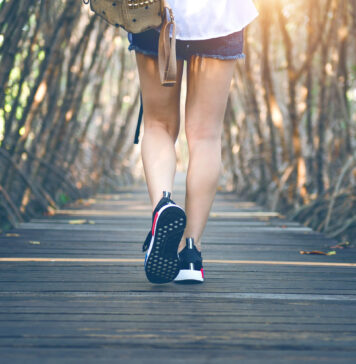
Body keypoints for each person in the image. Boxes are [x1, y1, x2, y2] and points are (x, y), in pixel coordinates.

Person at [128, 0, 258, 284]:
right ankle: (190, 254)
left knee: (158, 125)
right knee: (205, 135)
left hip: (153, 13)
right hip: (221, 16)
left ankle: (162, 207)